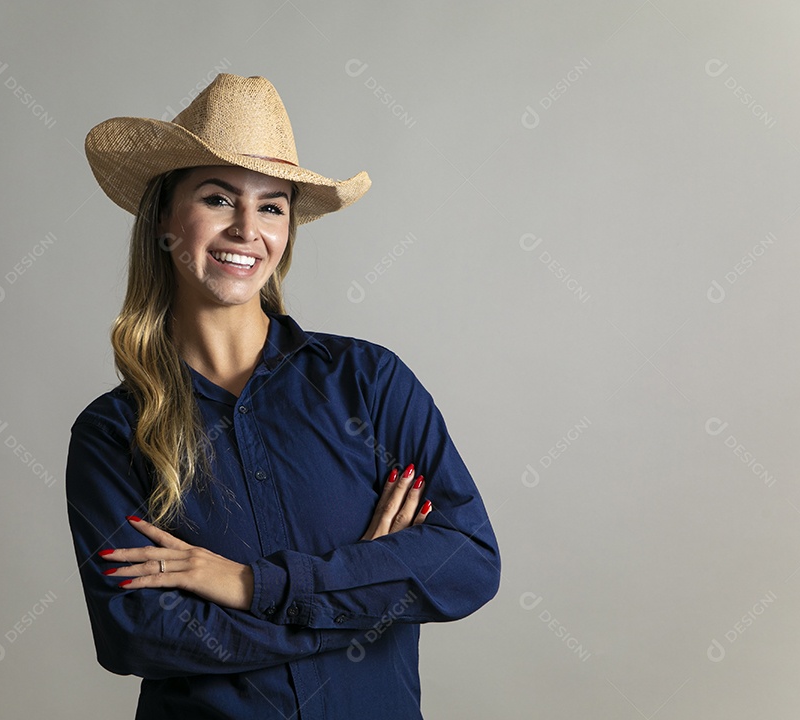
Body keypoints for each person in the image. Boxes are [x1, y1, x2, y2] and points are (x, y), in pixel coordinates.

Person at [67, 73, 500, 719]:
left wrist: (249, 585)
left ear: (288, 231)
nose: (248, 228)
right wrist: (365, 590)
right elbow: (139, 633)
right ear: (164, 220)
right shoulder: (112, 432)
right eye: (218, 199)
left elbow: (466, 563)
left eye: (272, 206)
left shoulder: (369, 381)